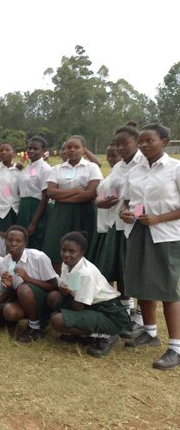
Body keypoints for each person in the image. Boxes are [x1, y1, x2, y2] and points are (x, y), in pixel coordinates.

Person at [119, 123, 180, 369]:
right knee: (141, 283)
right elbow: (129, 201)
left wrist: (158, 218)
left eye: (149, 141)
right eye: (141, 141)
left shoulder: (175, 168)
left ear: (164, 142)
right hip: (138, 231)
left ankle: (176, 347)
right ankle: (150, 332)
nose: (143, 145)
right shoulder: (135, 170)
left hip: (165, 235)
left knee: (167, 289)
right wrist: (126, 213)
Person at [89, 125, 144, 336]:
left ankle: (141, 319)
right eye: (117, 144)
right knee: (119, 270)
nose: (120, 148)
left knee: (134, 271)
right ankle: (125, 313)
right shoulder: (120, 166)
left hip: (136, 226)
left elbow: (145, 199)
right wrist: (99, 202)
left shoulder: (142, 164)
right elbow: (106, 191)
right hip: (114, 224)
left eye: (125, 143)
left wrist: (135, 213)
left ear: (136, 142)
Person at [44, 232, 131, 357]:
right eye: (64, 250)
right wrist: (65, 293)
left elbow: (78, 307)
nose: (66, 254)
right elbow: (73, 292)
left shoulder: (86, 273)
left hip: (109, 314)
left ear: (82, 253)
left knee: (57, 320)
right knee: (53, 297)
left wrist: (65, 296)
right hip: (90, 306)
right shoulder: (68, 265)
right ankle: (83, 335)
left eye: (72, 251)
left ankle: (107, 335)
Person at [42, 135, 102, 271]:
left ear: (84, 149)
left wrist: (63, 198)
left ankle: (83, 278)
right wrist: (77, 191)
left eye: (76, 147)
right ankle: (60, 279)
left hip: (85, 211)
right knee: (56, 245)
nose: (72, 150)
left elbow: (91, 193)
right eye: (69, 147)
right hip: (61, 213)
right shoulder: (57, 169)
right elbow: (51, 192)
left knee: (83, 246)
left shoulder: (91, 167)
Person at [0, 226, 58, 343]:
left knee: (24, 289)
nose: (13, 244)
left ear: (25, 243)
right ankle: (33, 319)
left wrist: (28, 279)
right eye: (10, 240)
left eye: (18, 241)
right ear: (5, 241)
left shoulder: (38, 257)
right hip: (25, 299)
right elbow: (12, 291)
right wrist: (9, 286)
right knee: (9, 311)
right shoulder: (5, 262)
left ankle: (35, 327)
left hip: (44, 298)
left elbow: (53, 286)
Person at [16, 136, 52, 250]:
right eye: (29, 148)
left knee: (34, 243)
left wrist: (34, 222)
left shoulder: (45, 169)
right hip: (24, 208)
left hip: (36, 209)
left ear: (43, 151)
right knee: (21, 242)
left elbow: (45, 197)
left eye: (35, 149)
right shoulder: (29, 167)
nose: (31, 151)